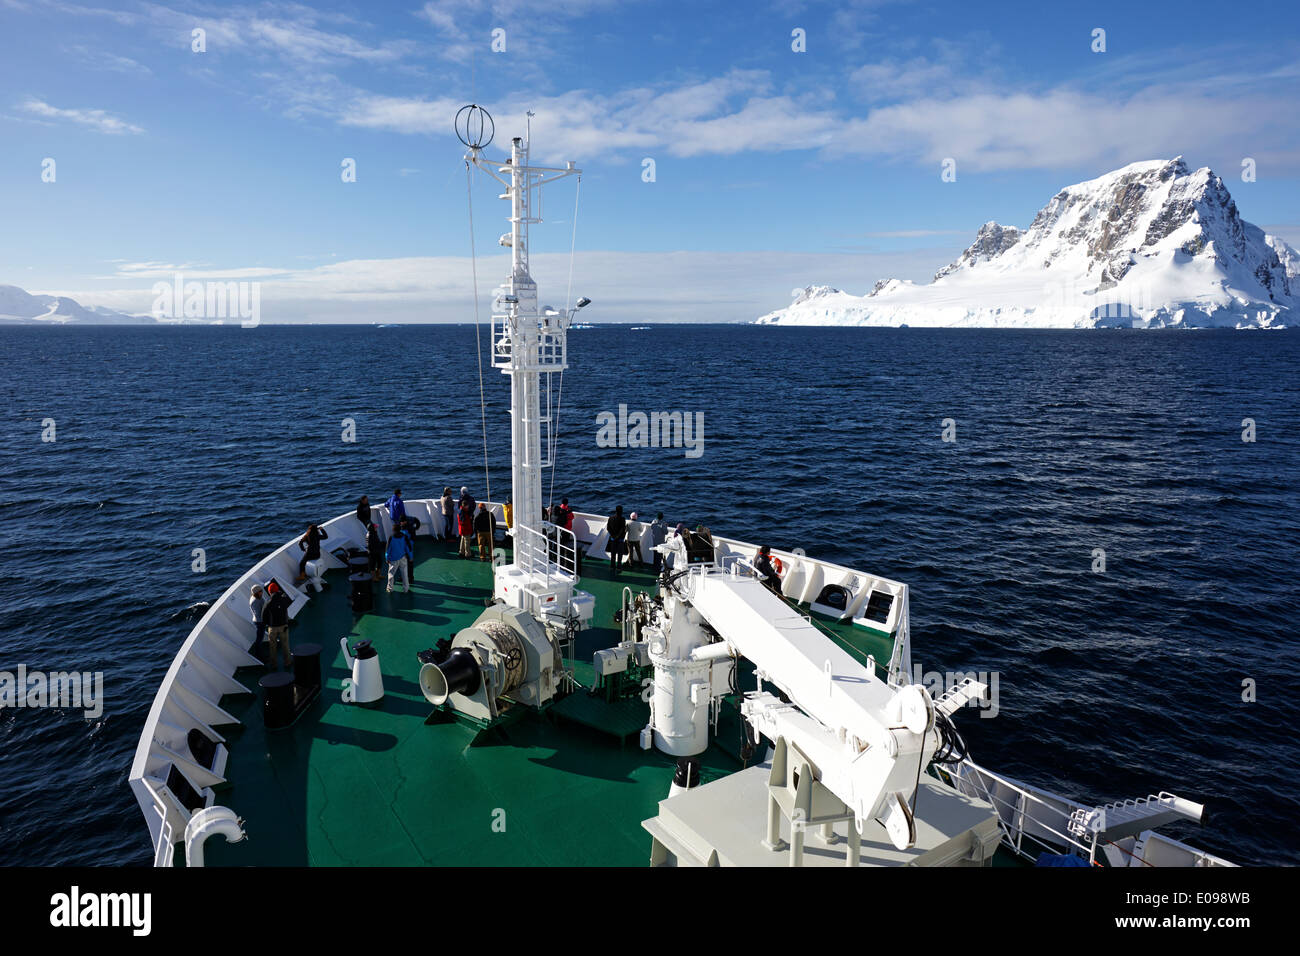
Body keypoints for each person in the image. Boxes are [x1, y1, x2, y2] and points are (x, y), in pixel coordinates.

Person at [264, 581, 293, 670]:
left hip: (272, 628)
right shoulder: (284, 600)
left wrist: (269, 624)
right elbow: (289, 600)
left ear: (269, 592)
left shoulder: (268, 603)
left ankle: (273, 665)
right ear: (277, 590)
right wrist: (280, 594)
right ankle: (287, 662)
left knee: (272, 647)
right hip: (283, 627)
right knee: (285, 645)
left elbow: (263, 616)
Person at [386, 526, 410, 592]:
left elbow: (388, 549)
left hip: (393, 559)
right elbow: (407, 547)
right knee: (405, 574)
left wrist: (387, 558)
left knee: (391, 574)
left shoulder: (391, 537)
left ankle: (390, 589)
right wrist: (410, 557)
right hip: (403, 557)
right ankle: (406, 588)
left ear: (393, 530)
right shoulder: (404, 536)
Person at [605, 505, 627, 576]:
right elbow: (622, 529)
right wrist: (617, 536)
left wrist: (613, 536)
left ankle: (612, 566)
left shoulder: (610, 518)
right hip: (620, 539)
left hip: (612, 539)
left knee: (613, 553)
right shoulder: (623, 519)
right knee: (620, 554)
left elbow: (608, 528)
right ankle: (619, 567)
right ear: (621, 511)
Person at [249, 584, 266, 659]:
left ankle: (259, 653)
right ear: (257, 593)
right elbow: (258, 613)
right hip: (259, 622)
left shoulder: (257, 598)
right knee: (259, 639)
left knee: (260, 637)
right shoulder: (255, 601)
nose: (262, 592)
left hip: (260, 621)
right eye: (260, 591)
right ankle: (259, 655)